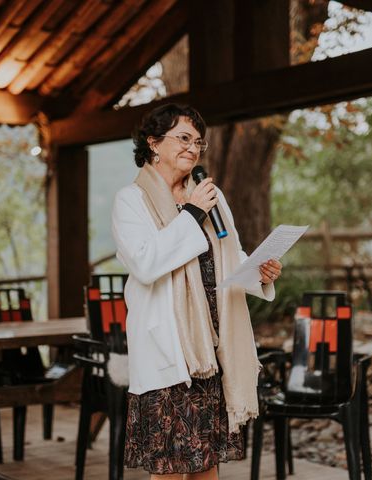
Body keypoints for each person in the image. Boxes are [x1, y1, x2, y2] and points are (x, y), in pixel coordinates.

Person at [111, 103, 282, 480]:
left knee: (207, 468)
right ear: (154, 143)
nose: (193, 148)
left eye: (198, 141)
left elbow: (229, 254)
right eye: (183, 138)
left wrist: (261, 272)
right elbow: (145, 263)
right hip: (168, 353)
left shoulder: (207, 195)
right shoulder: (131, 200)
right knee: (169, 471)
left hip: (211, 348)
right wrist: (191, 214)